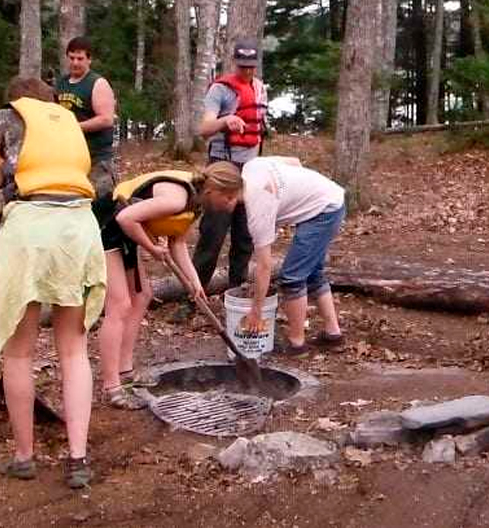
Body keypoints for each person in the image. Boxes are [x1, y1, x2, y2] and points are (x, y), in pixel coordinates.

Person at [0, 77, 106, 489]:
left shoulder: (6, 118)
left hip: (29, 232)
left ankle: (25, 457)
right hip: (79, 229)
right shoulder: (69, 123)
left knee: (19, 354)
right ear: (50, 102)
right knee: (74, 351)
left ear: (17, 99)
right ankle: (78, 459)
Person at [98, 163, 244, 408]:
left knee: (142, 296)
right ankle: (112, 386)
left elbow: (177, 243)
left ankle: (125, 371)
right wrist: (152, 247)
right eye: (228, 197)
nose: (231, 205)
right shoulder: (177, 199)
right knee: (119, 305)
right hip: (105, 228)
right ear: (212, 191)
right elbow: (125, 218)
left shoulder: (195, 202)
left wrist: (194, 282)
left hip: (123, 234)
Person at [204, 156, 346, 355]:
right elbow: (295, 162)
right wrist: (295, 194)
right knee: (312, 272)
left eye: (212, 200)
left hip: (324, 210)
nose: (212, 206)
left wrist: (256, 311)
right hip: (328, 196)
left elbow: (264, 266)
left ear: (227, 195)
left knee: (292, 277)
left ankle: (297, 344)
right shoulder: (252, 167)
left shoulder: (258, 209)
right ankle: (333, 334)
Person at [179, 39, 268, 319]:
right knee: (213, 236)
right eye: (242, 67)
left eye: (251, 67)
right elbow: (204, 129)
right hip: (222, 168)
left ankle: (237, 295)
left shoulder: (260, 88)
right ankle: (192, 300)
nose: (246, 72)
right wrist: (225, 120)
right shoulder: (220, 90)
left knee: (244, 236)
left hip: (250, 171)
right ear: (234, 63)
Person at [55, 36, 118, 200]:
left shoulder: (98, 83)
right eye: (72, 58)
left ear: (89, 60)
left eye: (80, 58)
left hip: (96, 158)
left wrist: (74, 127)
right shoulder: (61, 83)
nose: (75, 62)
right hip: (69, 157)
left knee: (99, 203)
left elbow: (106, 119)